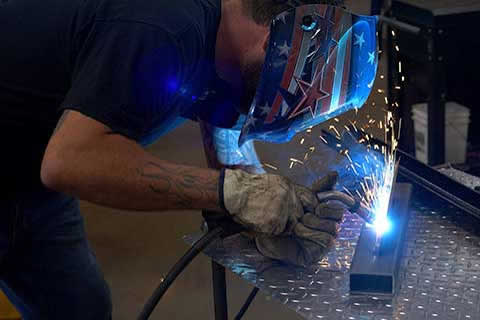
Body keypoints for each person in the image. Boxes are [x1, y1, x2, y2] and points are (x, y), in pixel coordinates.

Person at [0, 0, 357, 318]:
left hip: (25, 178)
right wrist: (234, 192)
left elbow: (221, 108)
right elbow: (69, 160)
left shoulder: (221, 32)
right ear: (272, 44)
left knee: (81, 308)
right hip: (42, 158)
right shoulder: (163, 28)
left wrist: (262, 207)